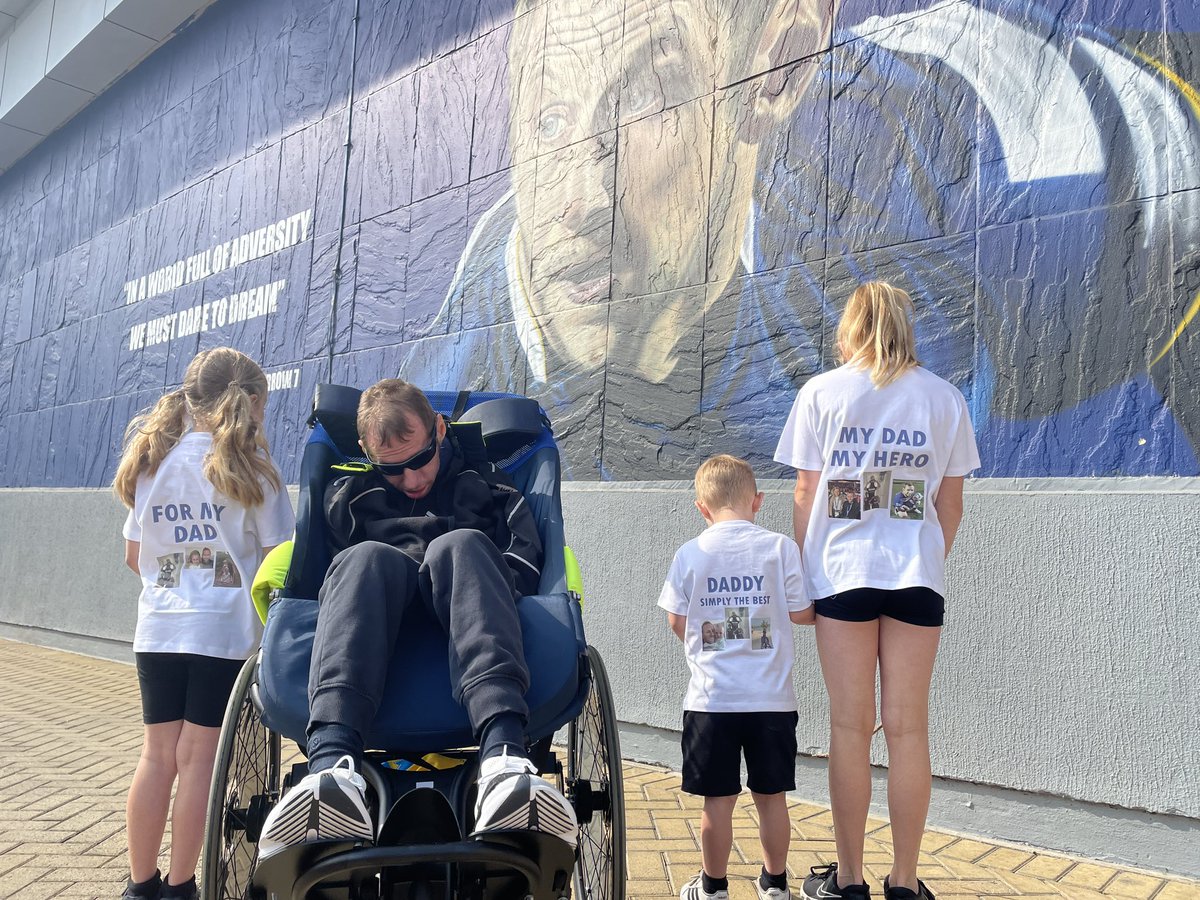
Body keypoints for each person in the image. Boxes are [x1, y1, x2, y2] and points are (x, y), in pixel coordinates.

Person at [394, 0, 1200, 480]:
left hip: (1154, 190)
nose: (576, 198)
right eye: (547, 120)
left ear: (774, 73)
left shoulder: (896, 241)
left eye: (645, 106)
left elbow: (913, 489)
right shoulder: (482, 327)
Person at [258, 379, 578, 858]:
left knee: (462, 546)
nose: (411, 480)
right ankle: (332, 771)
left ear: (440, 430)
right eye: (392, 469)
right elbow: (331, 585)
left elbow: (528, 566)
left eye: (419, 459)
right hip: (377, 626)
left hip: (474, 611)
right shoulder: (348, 501)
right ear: (367, 453)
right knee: (365, 558)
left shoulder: (491, 488)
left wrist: (467, 579)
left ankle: (504, 762)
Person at [774, 282, 980, 900]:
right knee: (908, 729)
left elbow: (807, 494)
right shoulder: (944, 399)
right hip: (916, 578)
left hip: (842, 575)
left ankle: (850, 879)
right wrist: (918, 554)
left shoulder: (822, 393)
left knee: (849, 727)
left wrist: (806, 581)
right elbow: (951, 504)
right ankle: (906, 881)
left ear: (852, 329)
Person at [113, 348, 295, 900]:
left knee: (156, 756)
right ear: (256, 403)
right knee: (197, 763)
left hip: (159, 630)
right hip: (222, 633)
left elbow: (132, 555)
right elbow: (278, 561)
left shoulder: (153, 463)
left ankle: (140, 885)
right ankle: (181, 885)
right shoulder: (256, 472)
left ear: (190, 400)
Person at [657, 454, 814, 900]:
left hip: (712, 700)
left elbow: (676, 619)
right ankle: (776, 883)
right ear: (758, 501)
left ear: (701, 508)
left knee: (718, 803)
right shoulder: (780, 547)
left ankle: (713, 887)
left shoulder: (690, 553)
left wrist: (709, 645)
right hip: (772, 701)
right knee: (772, 798)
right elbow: (804, 613)